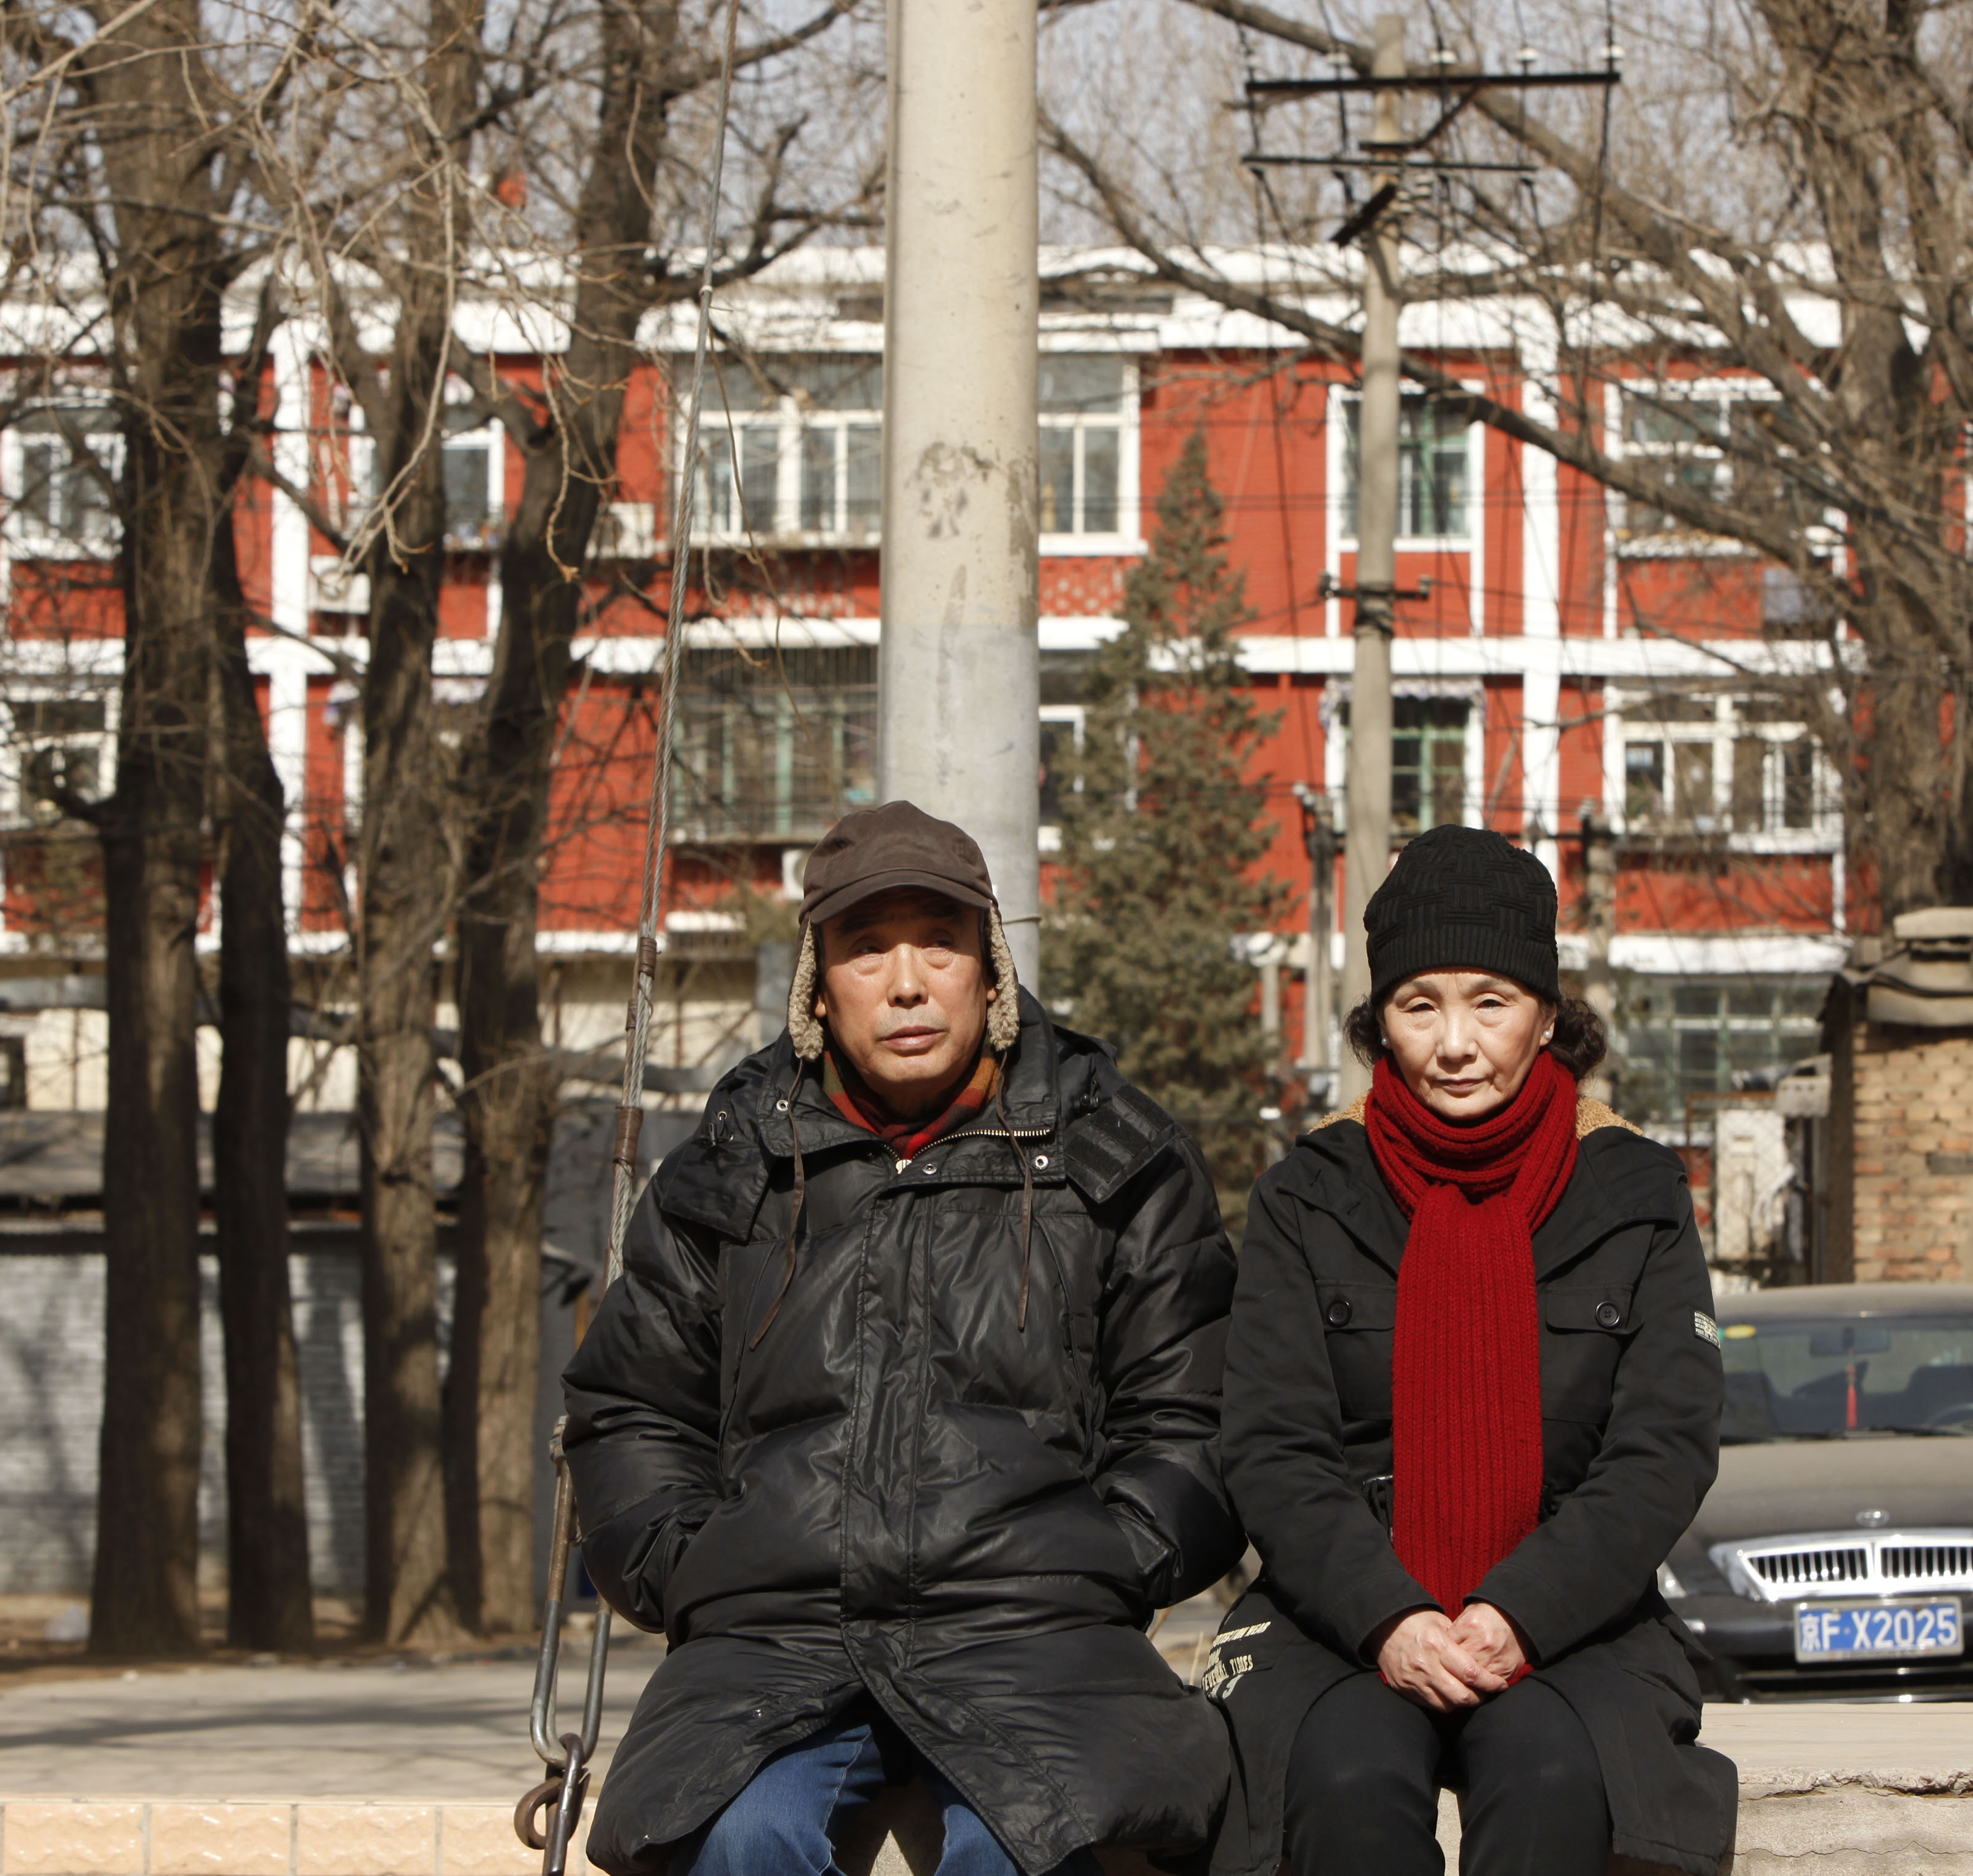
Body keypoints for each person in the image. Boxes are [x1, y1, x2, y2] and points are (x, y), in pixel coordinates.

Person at [562, 801, 1238, 1876]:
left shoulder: (1115, 1154)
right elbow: (631, 1405)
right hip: (775, 1641)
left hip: (1038, 1637)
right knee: (739, 1841)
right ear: (818, 984)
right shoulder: (735, 1163)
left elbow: (1193, 1412)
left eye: (940, 942)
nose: (908, 982)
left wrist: (1109, 1557)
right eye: (868, 948)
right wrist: (693, 1567)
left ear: (990, 967)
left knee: (1027, 1850)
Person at [1203, 826, 1735, 1876]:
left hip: (1577, 1621)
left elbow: (1663, 1445)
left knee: (1552, 1772)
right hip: (1342, 1620)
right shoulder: (1309, 1194)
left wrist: (1520, 1610)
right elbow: (1272, 1444)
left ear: (1547, 1014)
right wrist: (1390, 1617)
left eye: (1490, 1002)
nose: (1455, 1044)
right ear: (1381, 1022)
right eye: (1420, 1006)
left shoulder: (1636, 1193)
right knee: (1346, 1778)